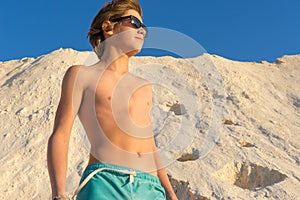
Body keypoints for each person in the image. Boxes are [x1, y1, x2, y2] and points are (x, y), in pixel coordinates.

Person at [47, 0, 178, 199]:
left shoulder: (144, 87)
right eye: (134, 22)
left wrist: (170, 193)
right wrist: (59, 193)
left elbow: (150, 145)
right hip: (104, 183)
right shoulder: (82, 75)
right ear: (108, 28)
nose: (142, 30)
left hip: (151, 189)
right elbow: (61, 134)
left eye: (144, 27)